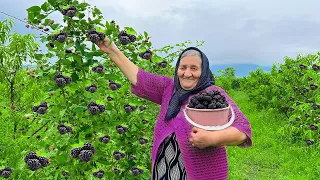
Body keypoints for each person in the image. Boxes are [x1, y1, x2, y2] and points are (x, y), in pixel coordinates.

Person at [96, 37, 252, 180]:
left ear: (203, 71)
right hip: (164, 171)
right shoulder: (168, 89)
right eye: (183, 67)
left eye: (194, 68)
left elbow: (242, 131)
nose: (187, 73)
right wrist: (112, 50)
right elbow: (139, 77)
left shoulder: (214, 94)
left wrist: (212, 139)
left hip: (202, 174)